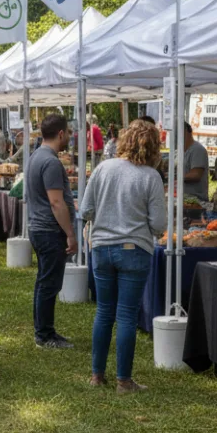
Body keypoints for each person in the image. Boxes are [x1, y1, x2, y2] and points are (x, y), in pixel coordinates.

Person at [79, 121, 167, 394]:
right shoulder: (150, 176)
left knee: (104, 311)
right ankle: (124, 381)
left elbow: (85, 210)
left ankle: (96, 375)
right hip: (134, 249)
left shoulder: (104, 168)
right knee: (127, 315)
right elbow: (159, 224)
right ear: (153, 146)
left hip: (102, 248)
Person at [28, 114, 78, 350]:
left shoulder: (36, 156)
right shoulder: (50, 162)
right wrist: (70, 233)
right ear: (60, 134)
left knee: (44, 281)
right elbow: (56, 203)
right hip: (49, 229)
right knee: (49, 283)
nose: (69, 137)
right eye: (68, 132)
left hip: (39, 227)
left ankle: (43, 330)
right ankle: (45, 335)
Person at [182, 122, 210, 202]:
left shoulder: (197, 150)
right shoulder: (180, 151)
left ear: (186, 132)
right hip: (183, 200)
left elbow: (196, 175)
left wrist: (176, 178)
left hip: (196, 201)